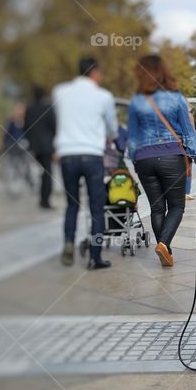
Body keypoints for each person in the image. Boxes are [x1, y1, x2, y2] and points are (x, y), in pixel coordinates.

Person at [127, 54, 196, 267]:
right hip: (171, 155)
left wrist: (136, 159)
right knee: (177, 205)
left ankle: (165, 251)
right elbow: (188, 132)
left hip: (144, 159)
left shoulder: (137, 101)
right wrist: (193, 153)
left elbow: (132, 137)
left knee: (157, 208)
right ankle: (164, 244)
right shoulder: (176, 98)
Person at [53, 57, 118, 269]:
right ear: (96, 73)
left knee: (72, 204)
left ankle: (69, 242)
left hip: (68, 155)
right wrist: (108, 136)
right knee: (96, 208)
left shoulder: (59, 91)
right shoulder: (104, 96)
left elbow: (58, 120)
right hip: (92, 155)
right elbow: (112, 129)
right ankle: (94, 256)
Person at [23, 85, 58, 209]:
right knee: (48, 173)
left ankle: (43, 198)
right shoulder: (47, 107)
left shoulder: (30, 108)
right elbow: (54, 125)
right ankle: (45, 200)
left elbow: (26, 126)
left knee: (42, 172)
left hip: (35, 146)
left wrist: (31, 141)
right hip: (47, 146)